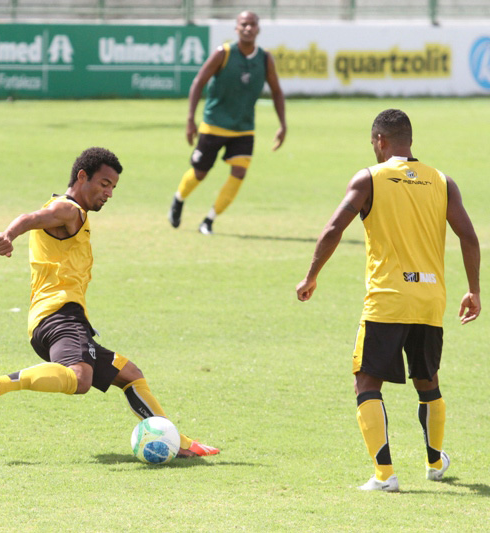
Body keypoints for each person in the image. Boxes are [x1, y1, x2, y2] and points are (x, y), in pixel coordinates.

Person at [0, 147, 219, 458]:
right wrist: (9, 234)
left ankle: (181, 444)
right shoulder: (68, 210)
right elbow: (31, 218)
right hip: (61, 316)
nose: (109, 193)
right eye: (104, 184)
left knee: (130, 374)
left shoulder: (74, 213)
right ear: (81, 176)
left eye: (113, 187)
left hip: (54, 319)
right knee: (81, 378)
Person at [296, 109, 481, 491]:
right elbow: (469, 236)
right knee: (427, 380)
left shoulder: (370, 178)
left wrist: (312, 275)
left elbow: (333, 228)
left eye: (373, 143)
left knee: (366, 381)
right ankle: (434, 461)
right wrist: (474, 290)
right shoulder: (443, 182)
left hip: (388, 298)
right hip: (430, 297)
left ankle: (384, 475)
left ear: (380, 140)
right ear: (408, 140)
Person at [169, 10, 286, 235]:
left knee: (239, 174)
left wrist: (282, 124)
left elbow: (277, 91)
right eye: (244, 24)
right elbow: (198, 82)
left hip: (244, 128)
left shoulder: (265, 58)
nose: (248, 28)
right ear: (236, 28)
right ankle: (179, 198)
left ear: (258, 29)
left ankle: (209, 220)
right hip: (214, 124)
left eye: (252, 24)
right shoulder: (223, 53)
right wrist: (190, 119)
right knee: (200, 173)